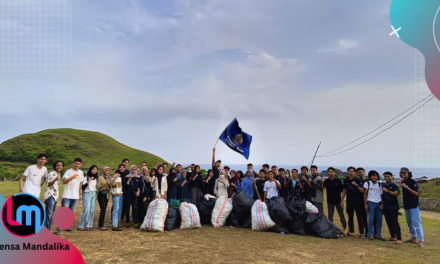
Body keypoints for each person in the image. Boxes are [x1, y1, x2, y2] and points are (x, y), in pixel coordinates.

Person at [57, 158, 84, 235]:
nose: (77, 165)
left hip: (75, 196)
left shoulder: (81, 172)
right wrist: (71, 177)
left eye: (78, 164)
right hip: (67, 195)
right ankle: (59, 228)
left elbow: (80, 184)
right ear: (73, 163)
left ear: (80, 165)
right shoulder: (68, 171)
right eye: (75, 163)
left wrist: (80, 193)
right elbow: (64, 181)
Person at [400, 167, 425, 249]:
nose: (403, 174)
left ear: (408, 173)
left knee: (417, 223)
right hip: (406, 205)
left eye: (405, 172)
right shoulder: (403, 182)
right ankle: (413, 238)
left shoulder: (413, 182)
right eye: (402, 173)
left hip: (413, 205)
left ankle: (421, 241)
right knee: (409, 222)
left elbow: (416, 194)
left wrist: (407, 187)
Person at [341, 166, 365, 238]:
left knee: (359, 217)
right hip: (349, 201)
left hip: (358, 201)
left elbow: (362, 191)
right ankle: (351, 231)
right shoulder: (346, 180)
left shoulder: (357, 180)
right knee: (350, 216)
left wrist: (356, 185)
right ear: (348, 172)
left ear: (355, 172)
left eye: (352, 171)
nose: (351, 172)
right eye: (350, 171)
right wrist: (342, 200)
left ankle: (362, 233)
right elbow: (344, 190)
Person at [322, 167, 347, 235]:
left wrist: (342, 200)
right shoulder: (326, 181)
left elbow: (343, 189)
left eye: (332, 172)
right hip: (330, 201)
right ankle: (331, 229)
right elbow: (322, 189)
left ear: (334, 173)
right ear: (328, 173)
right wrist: (322, 183)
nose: (331, 173)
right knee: (330, 216)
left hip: (338, 201)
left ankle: (344, 229)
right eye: (329, 172)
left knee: (341, 215)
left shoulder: (338, 180)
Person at [382, 171, 402, 245]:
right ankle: (393, 236)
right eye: (385, 176)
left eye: (388, 176)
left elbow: (396, 193)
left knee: (395, 222)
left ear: (391, 177)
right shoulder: (383, 185)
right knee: (388, 221)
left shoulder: (394, 185)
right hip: (386, 206)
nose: (386, 177)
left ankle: (399, 238)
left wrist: (388, 191)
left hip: (393, 206)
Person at [363, 170, 384, 240]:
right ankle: (370, 234)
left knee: (379, 219)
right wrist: (365, 204)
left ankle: (378, 234)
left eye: (376, 175)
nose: (374, 177)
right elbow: (365, 194)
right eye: (373, 175)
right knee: (371, 219)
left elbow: (381, 195)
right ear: (370, 176)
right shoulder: (367, 183)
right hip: (371, 203)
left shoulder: (379, 185)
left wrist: (382, 204)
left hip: (378, 203)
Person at [44, 160, 63, 231]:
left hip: (55, 197)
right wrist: (55, 179)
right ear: (55, 166)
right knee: (49, 214)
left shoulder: (59, 174)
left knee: (51, 215)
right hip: (50, 196)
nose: (59, 167)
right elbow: (48, 184)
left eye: (61, 165)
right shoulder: (51, 174)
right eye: (58, 165)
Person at [78, 165, 98, 231]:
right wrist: (89, 180)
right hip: (87, 193)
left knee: (91, 210)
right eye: (93, 169)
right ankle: (81, 225)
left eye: (95, 169)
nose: (94, 170)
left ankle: (88, 225)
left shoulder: (96, 178)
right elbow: (83, 187)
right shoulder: (86, 177)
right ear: (90, 170)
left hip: (94, 194)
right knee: (86, 210)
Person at [97, 166, 112, 231]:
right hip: (101, 194)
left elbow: (111, 186)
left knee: (104, 209)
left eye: (108, 170)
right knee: (103, 209)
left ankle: (101, 224)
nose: (107, 172)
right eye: (106, 170)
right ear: (103, 171)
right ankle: (100, 225)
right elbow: (98, 187)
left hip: (107, 194)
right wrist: (106, 183)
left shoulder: (109, 178)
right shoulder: (100, 177)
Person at [357, 167, 370, 236]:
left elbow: (364, 191)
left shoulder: (368, 181)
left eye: (362, 172)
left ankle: (368, 231)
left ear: (364, 173)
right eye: (359, 172)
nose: (361, 173)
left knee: (366, 217)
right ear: (357, 173)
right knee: (360, 217)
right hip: (358, 201)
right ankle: (361, 232)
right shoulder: (357, 181)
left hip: (368, 201)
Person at [111, 164, 124, 231]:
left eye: (123, 167)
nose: (122, 168)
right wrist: (115, 177)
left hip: (121, 194)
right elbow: (112, 184)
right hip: (116, 194)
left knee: (120, 209)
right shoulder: (115, 176)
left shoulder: (124, 176)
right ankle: (114, 225)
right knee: (116, 209)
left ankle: (116, 223)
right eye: (120, 167)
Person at [118, 158, 130, 223]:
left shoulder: (128, 172)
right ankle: (112, 219)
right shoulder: (118, 171)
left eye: (127, 162)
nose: (125, 163)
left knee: (124, 204)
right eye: (124, 162)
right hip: (118, 189)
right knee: (116, 204)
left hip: (125, 189)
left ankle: (122, 217)